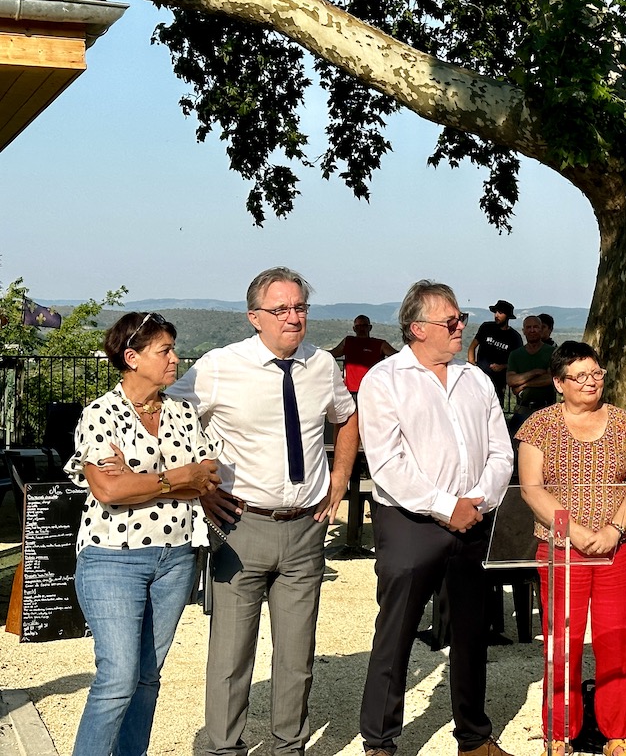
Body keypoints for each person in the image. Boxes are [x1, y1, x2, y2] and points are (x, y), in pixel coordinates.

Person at [168, 267, 359, 756]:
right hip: (241, 526)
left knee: (297, 657)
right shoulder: (218, 366)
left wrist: (339, 481)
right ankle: (223, 748)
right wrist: (199, 486)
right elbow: (169, 417)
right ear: (255, 317)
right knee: (231, 656)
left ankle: (288, 746)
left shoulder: (322, 365)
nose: (293, 317)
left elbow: (348, 415)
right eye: (280, 309)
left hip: (306, 528)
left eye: (300, 307)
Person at [357, 280, 515, 756]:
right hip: (410, 523)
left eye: (460, 318)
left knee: (471, 633)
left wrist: (479, 501)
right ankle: (380, 742)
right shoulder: (384, 381)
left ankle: (474, 737)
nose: (461, 326)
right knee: (397, 632)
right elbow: (387, 464)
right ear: (417, 328)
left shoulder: (476, 379)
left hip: (474, 519)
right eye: (452, 321)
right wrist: (448, 507)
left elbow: (500, 452)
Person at [65, 312, 222, 756]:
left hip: (175, 558)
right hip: (112, 558)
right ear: (132, 358)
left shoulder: (183, 412)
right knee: (117, 678)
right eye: (164, 351)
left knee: (148, 678)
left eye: (173, 348)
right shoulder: (100, 413)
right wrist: (177, 478)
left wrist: (146, 479)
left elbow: (208, 477)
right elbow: (109, 489)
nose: (175, 359)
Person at [517, 341, 626, 756]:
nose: (591, 382)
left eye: (596, 374)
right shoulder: (538, 426)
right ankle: (559, 734)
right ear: (559, 383)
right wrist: (571, 530)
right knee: (562, 643)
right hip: (561, 549)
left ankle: (619, 733)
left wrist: (614, 529)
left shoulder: (625, 422)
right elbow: (531, 487)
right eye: (580, 376)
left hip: (617, 546)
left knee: (618, 638)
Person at [505, 315, 557, 436]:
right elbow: (511, 380)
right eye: (528, 327)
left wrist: (524, 385)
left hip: (546, 409)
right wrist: (535, 372)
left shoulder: (552, 352)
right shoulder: (516, 355)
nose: (532, 330)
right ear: (523, 331)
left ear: (541, 329)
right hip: (522, 411)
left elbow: (551, 378)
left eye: (536, 327)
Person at [468, 299, 523, 404]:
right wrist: (472, 366)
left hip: (498, 383)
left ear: (507, 316)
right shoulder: (486, 327)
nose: (496, 315)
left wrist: (502, 366)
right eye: (495, 312)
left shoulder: (514, 337)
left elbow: (518, 362)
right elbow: (472, 347)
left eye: (500, 313)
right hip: (479, 378)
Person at [328, 314, 397, 396]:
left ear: (370, 327)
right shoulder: (348, 342)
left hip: (373, 390)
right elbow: (332, 354)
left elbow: (397, 357)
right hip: (351, 391)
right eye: (358, 326)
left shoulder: (379, 344)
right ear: (354, 329)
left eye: (364, 326)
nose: (361, 328)